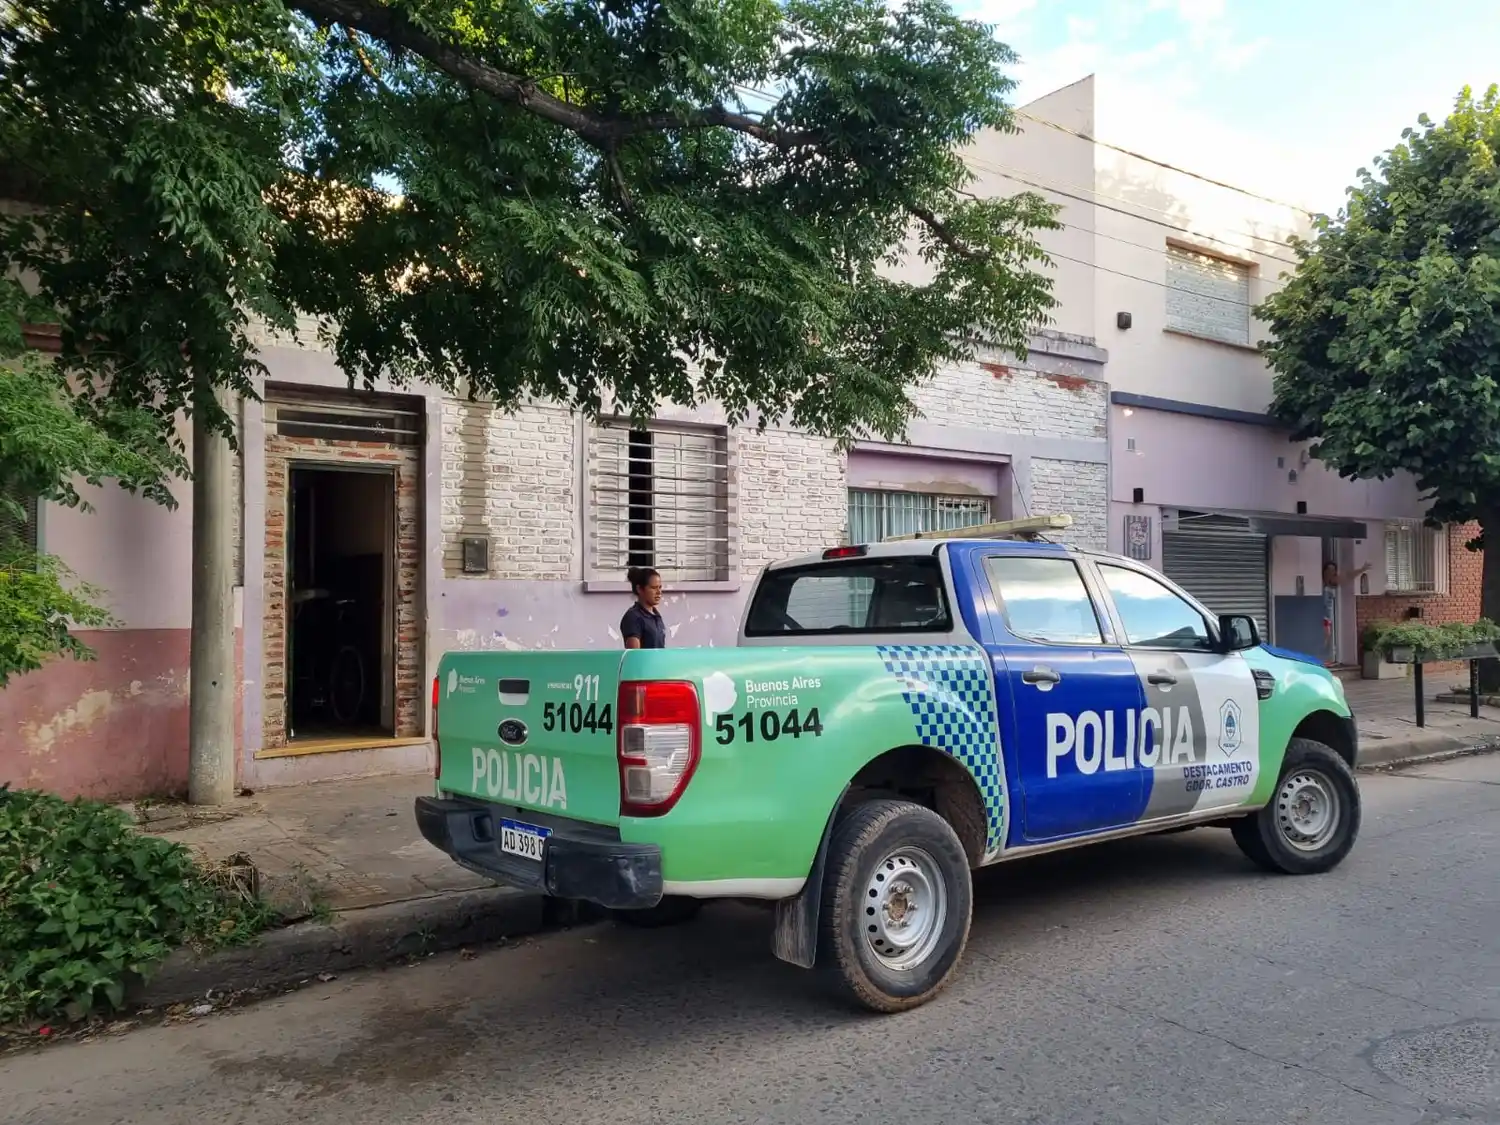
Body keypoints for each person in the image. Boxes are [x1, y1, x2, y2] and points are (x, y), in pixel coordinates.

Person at [1322, 558, 1369, 666]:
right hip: (1318, 613)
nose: (1331, 572)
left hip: (1326, 615)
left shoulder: (1333, 582)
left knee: (1327, 635)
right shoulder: (1320, 582)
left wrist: (1361, 570)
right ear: (1324, 571)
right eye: (1328, 570)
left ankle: (1326, 657)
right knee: (1324, 635)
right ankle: (1323, 656)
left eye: (1333, 570)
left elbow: (1348, 576)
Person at [621, 566, 666, 650]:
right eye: (653, 588)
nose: (659, 592)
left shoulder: (656, 615)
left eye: (660, 587)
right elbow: (635, 656)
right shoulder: (633, 617)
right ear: (639, 589)